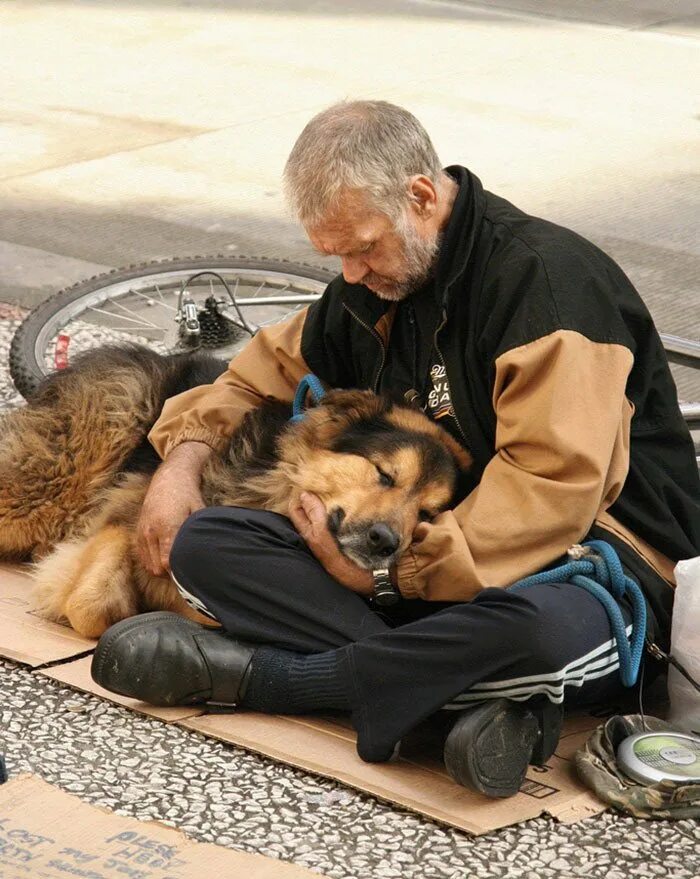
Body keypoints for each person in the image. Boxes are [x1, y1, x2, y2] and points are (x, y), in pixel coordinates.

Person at [91, 101, 700, 798]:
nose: (350, 272)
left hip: (595, 565)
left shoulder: (544, 284)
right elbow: (254, 375)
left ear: (420, 195)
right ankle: (449, 705)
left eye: (363, 246)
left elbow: (551, 492)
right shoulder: (377, 285)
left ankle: (272, 678)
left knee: (531, 636)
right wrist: (181, 461)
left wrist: (390, 580)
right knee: (208, 543)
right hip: (432, 568)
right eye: (336, 254)